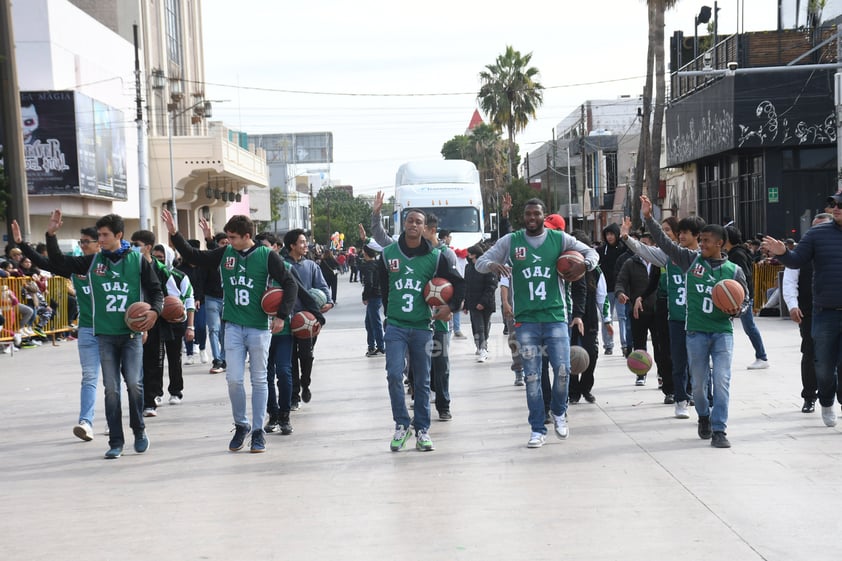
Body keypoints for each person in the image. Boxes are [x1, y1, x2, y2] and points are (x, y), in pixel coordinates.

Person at [163, 210, 298, 453]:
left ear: (248, 236)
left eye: (233, 237)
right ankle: (241, 425)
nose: (229, 241)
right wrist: (175, 233)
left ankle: (258, 431)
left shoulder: (267, 256)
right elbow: (194, 255)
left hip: (258, 326)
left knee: (259, 380)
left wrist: (281, 315)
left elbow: (290, 284)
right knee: (234, 379)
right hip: (233, 325)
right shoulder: (225, 253)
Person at [475, 198, 598, 448]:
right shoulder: (511, 241)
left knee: (562, 372)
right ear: (524, 217)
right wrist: (493, 264)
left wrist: (584, 264)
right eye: (528, 213)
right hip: (527, 321)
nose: (532, 217)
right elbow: (479, 263)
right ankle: (537, 428)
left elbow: (592, 253)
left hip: (555, 318)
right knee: (532, 377)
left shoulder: (560, 239)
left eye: (536, 214)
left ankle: (559, 413)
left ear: (544, 216)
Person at [45, 210, 163, 459]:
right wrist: (51, 234)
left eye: (105, 235)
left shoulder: (138, 260)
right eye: (98, 235)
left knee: (134, 384)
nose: (100, 239)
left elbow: (156, 290)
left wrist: (154, 312)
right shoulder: (93, 261)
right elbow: (57, 262)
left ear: (119, 235)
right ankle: (116, 441)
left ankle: (139, 431)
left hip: (130, 334)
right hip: (105, 335)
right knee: (111, 389)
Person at [641, 196, 748, 448]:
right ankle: (703, 416)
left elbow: (746, 302)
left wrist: (736, 309)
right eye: (700, 240)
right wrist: (648, 219)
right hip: (696, 333)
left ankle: (720, 429)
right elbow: (665, 244)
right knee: (699, 385)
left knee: (721, 381)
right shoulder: (691, 261)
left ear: (720, 244)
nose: (701, 244)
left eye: (706, 241)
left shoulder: (734, 271)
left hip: (722, 332)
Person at [375, 206, 465, 451]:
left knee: (424, 381)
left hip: (423, 327)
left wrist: (451, 307)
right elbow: (384, 288)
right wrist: (388, 313)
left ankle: (423, 429)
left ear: (425, 228)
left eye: (419, 222)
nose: (414, 225)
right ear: (404, 224)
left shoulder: (436, 257)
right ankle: (402, 425)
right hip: (395, 326)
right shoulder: (388, 255)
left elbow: (459, 283)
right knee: (394, 374)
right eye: (410, 220)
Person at [13, 222, 102, 440]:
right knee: (89, 376)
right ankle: (86, 423)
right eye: (80, 242)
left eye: (85, 242)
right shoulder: (76, 266)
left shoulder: (109, 264)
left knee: (114, 379)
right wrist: (22, 244)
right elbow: (46, 262)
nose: (81, 246)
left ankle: (114, 419)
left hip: (112, 328)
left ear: (99, 243)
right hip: (88, 329)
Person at [764, 193, 842, 428]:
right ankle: (826, 401)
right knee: (823, 366)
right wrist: (782, 253)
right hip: (825, 312)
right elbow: (796, 261)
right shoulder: (817, 234)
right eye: (834, 204)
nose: (836, 208)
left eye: (841, 205)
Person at [621, 214, 705, 419]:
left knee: (700, 363)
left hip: (699, 318)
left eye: (684, 232)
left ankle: (701, 397)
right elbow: (645, 250)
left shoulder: (705, 257)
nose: (680, 235)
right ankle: (680, 398)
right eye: (680, 232)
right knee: (677, 361)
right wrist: (628, 237)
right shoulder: (670, 256)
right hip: (675, 317)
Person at [782, 213, 840, 413]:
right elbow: (789, 279)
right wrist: (792, 305)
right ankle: (810, 396)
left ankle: (835, 396)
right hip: (809, 310)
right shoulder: (803, 250)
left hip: (833, 308)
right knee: (812, 355)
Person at [282, 229, 334, 408]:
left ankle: (306, 383)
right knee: (290, 358)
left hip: (309, 320)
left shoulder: (311, 266)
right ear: (292, 245)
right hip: (288, 320)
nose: (306, 245)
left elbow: (322, 286)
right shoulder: (282, 265)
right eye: (302, 242)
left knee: (306, 356)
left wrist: (329, 302)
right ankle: (294, 396)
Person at [567, 230, 610, 405]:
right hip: (567, 318)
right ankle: (573, 391)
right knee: (568, 354)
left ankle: (586, 388)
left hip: (589, 318)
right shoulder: (562, 266)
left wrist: (607, 319)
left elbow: (603, 296)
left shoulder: (595, 270)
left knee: (591, 354)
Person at [614, 233, 661, 387]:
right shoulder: (630, 263)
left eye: (645, 244)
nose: (641, 247)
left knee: (660, 346)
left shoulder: (659, 262)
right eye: (640, 244)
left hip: (658, 310)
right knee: (639, 345)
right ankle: (641, 374)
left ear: (653, 246)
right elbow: (620, 281)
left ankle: (662, 374)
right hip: (637, 310)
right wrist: (620, 293)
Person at [724, 225, 770, 370]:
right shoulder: (736, 252)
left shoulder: (737, 254)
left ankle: (762, 357)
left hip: (742, 297)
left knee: (749, 327)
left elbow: (744, 277)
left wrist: (740, 297)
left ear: (728, 239)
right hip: (739, 296)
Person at [200, 224, 228, 374]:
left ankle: (224, 358)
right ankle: (217, 359)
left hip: (226, 298)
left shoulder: (232, 257)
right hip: (211, 297)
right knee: (213, 329)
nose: (225, 245)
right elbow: (201, 279)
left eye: (228, 243)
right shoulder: (212, 258)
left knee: (225, 331)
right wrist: (199, 297)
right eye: (222, 243)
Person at [597, 223, 628, 356]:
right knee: (606, 317)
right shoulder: (600, 251)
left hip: (621, 289)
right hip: (607, 289)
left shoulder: (623, 249)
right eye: (607, 234)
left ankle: (625, 344)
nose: (609, 237)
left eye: (612, 234)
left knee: (623, 317)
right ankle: (608, 345)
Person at [463, 244, 497, 362]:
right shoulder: (468, 268)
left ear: (474, 254)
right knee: (477, 326)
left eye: (469, 253)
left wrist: (483, 301)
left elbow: (491, 286)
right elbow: (466, 286)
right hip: (473, 303)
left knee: (485, 325)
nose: (467, 255)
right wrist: (466, 304)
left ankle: (483, 346)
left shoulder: (487, 267)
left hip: (486, 303)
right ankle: (481, 347)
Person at [179, 239, 209, 366]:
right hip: (184, 302)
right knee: (187, 328)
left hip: (201, 301)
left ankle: (202, 348)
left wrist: (198, 298)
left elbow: (203, 285)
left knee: (201, 327)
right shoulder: (180, 269)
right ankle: (190, 354)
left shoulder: (203, 267)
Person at [358, 234, 385, 357]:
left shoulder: (368, 266)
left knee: (374, 322)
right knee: (370, 322)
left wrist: (365, 296)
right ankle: (372, 346)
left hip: (373, 296)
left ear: (366, 252)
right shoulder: (378, 264)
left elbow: (369, 282)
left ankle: (379, 346)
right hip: (378, 294)